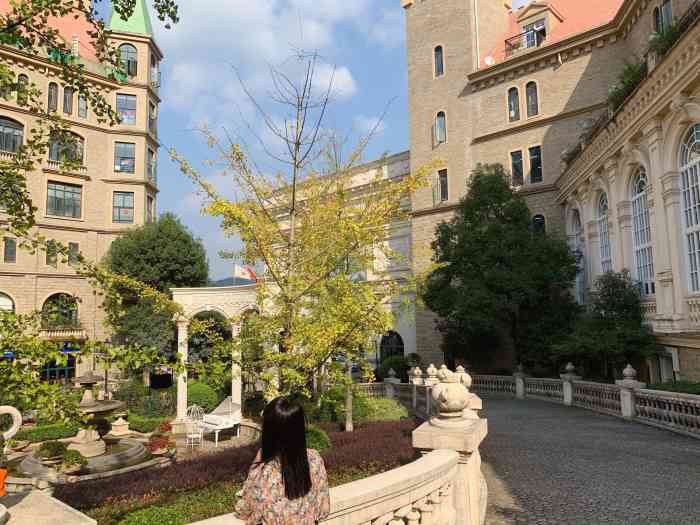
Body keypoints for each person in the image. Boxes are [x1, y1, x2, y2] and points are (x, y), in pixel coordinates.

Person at [235, 396, 330, 525]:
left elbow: (244, 510)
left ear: (269, 432)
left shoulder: (265, 470)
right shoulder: (314, 460)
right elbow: (323, 510)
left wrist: (256, 466)